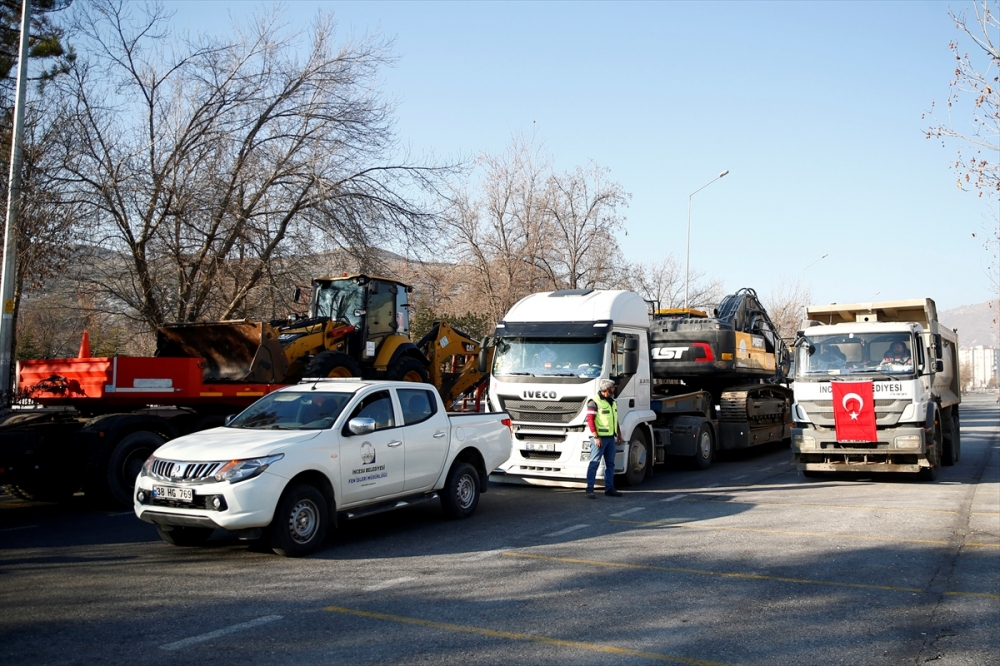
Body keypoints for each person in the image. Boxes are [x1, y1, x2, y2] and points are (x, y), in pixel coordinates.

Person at [584, 379, 624, 499]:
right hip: (599, 438)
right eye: (613, 387)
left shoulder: (612, 402)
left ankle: (609, 488)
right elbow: (590, 420)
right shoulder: (594, 401)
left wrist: (619, 434)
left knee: (610, 464)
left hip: (610, 438)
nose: (614, 389)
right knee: (594, 463)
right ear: (607, 389)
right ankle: (589, 489)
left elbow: (615, 419)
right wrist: (596, 437)